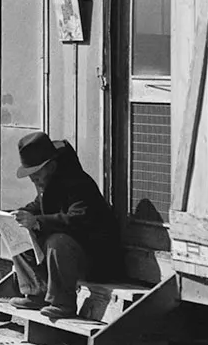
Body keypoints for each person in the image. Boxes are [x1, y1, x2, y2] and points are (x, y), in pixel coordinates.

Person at [7, 130, 122, 316]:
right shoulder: (49, 182)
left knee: (57, 241)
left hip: (95, 260)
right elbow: (37, 206)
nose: (32, 179)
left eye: (36, 173)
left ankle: (63, 303)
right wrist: (11, 216)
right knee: (17, 230)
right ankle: (36, 293)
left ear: (51, 166)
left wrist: (37, 222)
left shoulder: (79, 184)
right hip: (69, 260)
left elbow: (77, 220)